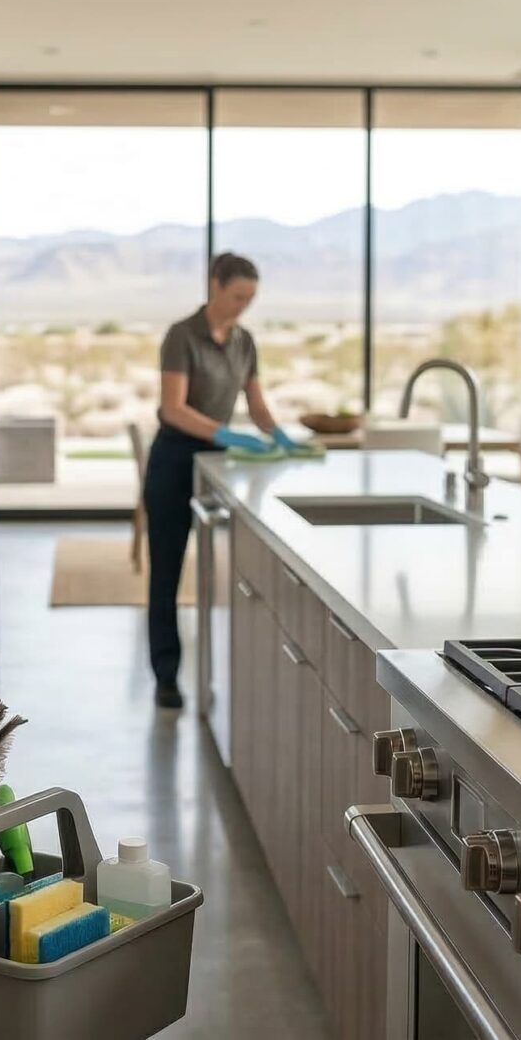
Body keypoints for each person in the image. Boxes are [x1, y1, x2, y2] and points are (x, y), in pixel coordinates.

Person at [144, 253, 298, 710]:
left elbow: (256, 403)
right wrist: (224, 432)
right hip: (175, 459)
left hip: (218, 465)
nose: (242, 307)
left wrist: (280, 435)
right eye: (236, 297)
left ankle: (226, 671)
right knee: (167, 572)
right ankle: (166, 676)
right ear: (214, 285)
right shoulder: (181, 336)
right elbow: (173, 408)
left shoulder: (244, 341)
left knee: (226, 573)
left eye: (250, 299)